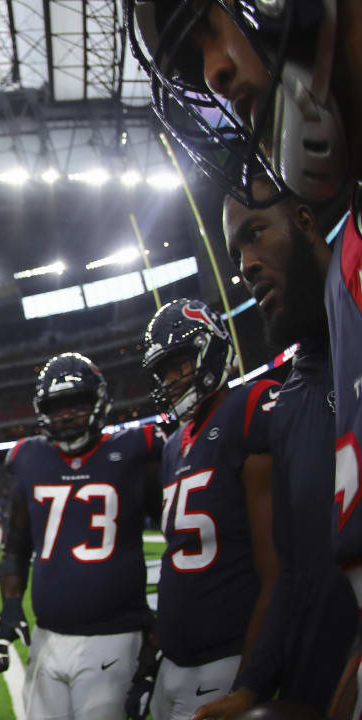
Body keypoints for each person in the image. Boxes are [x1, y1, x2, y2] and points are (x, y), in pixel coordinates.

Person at [124, 3, 362, 712]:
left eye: (257, 234)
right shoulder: (307, 369)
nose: (216, 71)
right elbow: (300, 573)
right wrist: (264, 687)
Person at [189, 181, 357, 719]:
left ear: (305, 224)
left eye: (255, 235)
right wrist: (251, 685)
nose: (246, 265)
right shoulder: (285, 405)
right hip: (314, 687)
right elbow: (291, 575)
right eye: (236, 253)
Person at [0, 353, 162, 720]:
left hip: (115, 636)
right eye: (57, 407)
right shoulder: (29, 458)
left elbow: (180, 538)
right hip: (47, 636)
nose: (66, 415)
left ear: (99, 401)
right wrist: (12, 606)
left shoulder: (135, 451)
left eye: (77, 404)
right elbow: (17, 547)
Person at [140, 299, 279, 720]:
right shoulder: (173, 445)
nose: (171, 380)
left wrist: (250, 682)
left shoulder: (252, 406)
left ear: (210, 349)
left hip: (228, 659)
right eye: (163, 371)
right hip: (174, 662)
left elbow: (277, 569)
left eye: (179, 364)